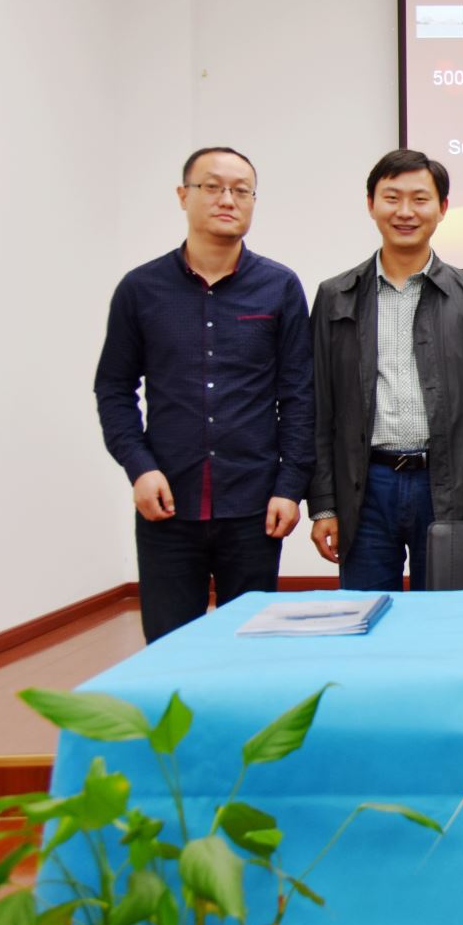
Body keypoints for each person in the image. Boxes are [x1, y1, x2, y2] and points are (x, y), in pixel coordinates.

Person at [95, 147, 314, 642]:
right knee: (170, 648)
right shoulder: (140, 289)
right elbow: (113, 387)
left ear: (253, 201)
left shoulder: (279, 286)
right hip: (167, 501)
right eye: (212, 187)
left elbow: (299, 395)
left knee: (249, 648)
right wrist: (139, 467)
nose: (227, 199)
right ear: (183, 195)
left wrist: (290, 486)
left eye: (241, 190)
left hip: (255, 506)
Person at [308, 149, 463, 590]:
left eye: (420, 199)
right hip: (366, 487)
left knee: (444, 616)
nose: (405, 212)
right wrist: (324, 504)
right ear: (371, 204)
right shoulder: (336, 296)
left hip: (448, 484)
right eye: (392, 198)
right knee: (368, 614)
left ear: (443, 208)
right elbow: (319, 406)